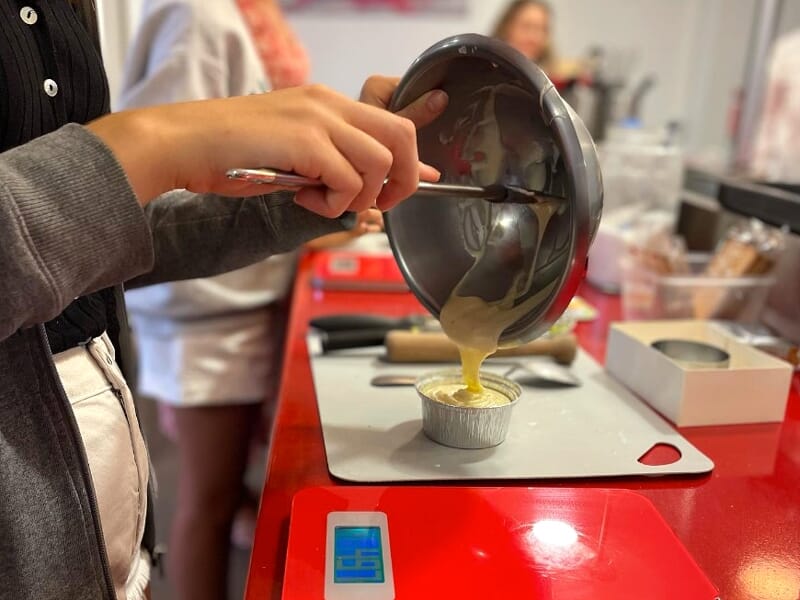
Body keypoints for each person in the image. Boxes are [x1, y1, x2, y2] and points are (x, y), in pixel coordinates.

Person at [0, 1, 448, 599]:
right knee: (208, 502)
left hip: (99, 498)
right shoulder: (194, 17)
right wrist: (156, 139)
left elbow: (104, 227)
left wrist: (318, 183)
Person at [117, 1, 380, 597]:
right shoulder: (198, 17)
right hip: (206, 305)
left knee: (226, 488)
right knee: (206, 500)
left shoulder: (245, 19)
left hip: (232, 293)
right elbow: (160, 174)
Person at [492, 0, 554, 73]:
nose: (533, 38)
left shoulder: (553, 78)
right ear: (507, 27)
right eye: (526, 26)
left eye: (542, 29)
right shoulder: (484, 71)